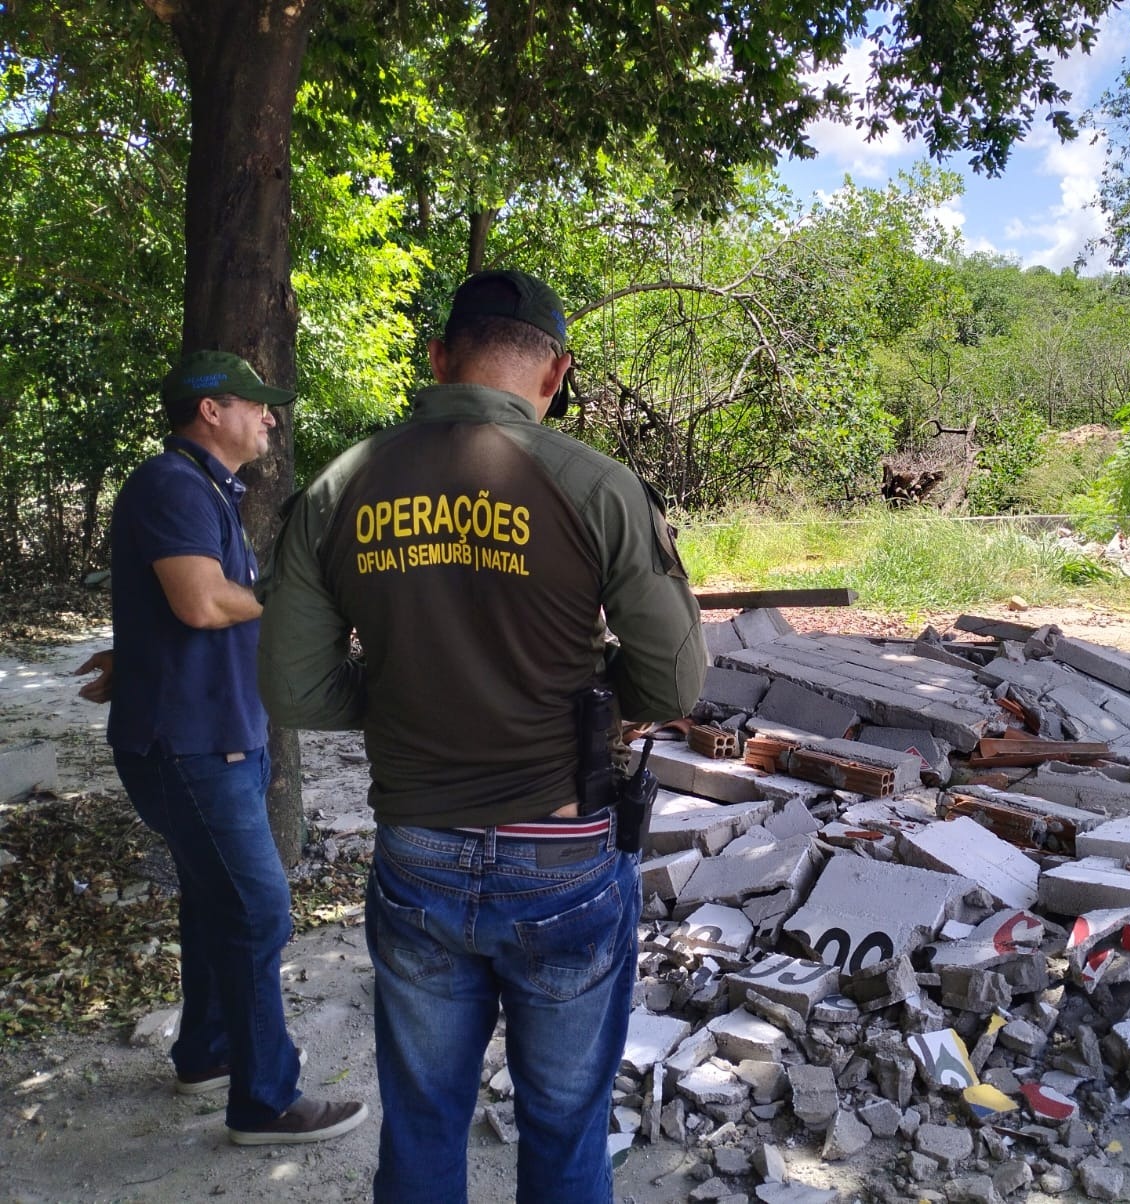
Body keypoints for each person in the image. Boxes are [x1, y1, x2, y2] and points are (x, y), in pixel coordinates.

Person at [256, 270, 707, 1203]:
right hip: (565, 854)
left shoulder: (342, 486)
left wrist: (405, 701)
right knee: (566, 1124)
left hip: (418, 850)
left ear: (437, 359)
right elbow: (675, 680)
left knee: (422, 1121)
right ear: (556, 373)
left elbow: (293, 687)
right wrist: (583, 701)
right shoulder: (600, 488)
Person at [73, 350, 368, 1145]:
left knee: (214, 903)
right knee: (258, 909)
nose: (269, 416)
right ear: (211, 410)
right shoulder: (171, 483)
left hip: (217, 736)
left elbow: (169, 610)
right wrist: (297, 598)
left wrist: (132, 655)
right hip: (192, 747)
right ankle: (266, 1101)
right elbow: (202, 604)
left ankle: (206, 1053)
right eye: (255, 404)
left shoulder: (203, 492)